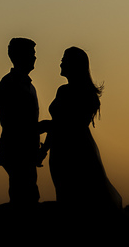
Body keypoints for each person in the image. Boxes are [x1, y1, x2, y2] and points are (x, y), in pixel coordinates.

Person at [41, 46, 122, 217]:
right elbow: (57, 124)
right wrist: (44, 149)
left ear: (74, 64)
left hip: (77, 151)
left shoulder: (85, 94)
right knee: (63, 191)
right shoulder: (62, 90)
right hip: (59, 151)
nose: (60, 63)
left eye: (64, 60)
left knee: (77, 196)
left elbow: (70, 126)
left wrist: (45, 126)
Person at [0, 37, 48, 206]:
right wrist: (41, 127)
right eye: (31, 53)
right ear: (20, 56)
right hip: (17, 150)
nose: (34, 57)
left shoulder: (27, 85)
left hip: (26, 150)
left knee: (27, 194)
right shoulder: (10, 84)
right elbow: (13, 123)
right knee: (24, 197)